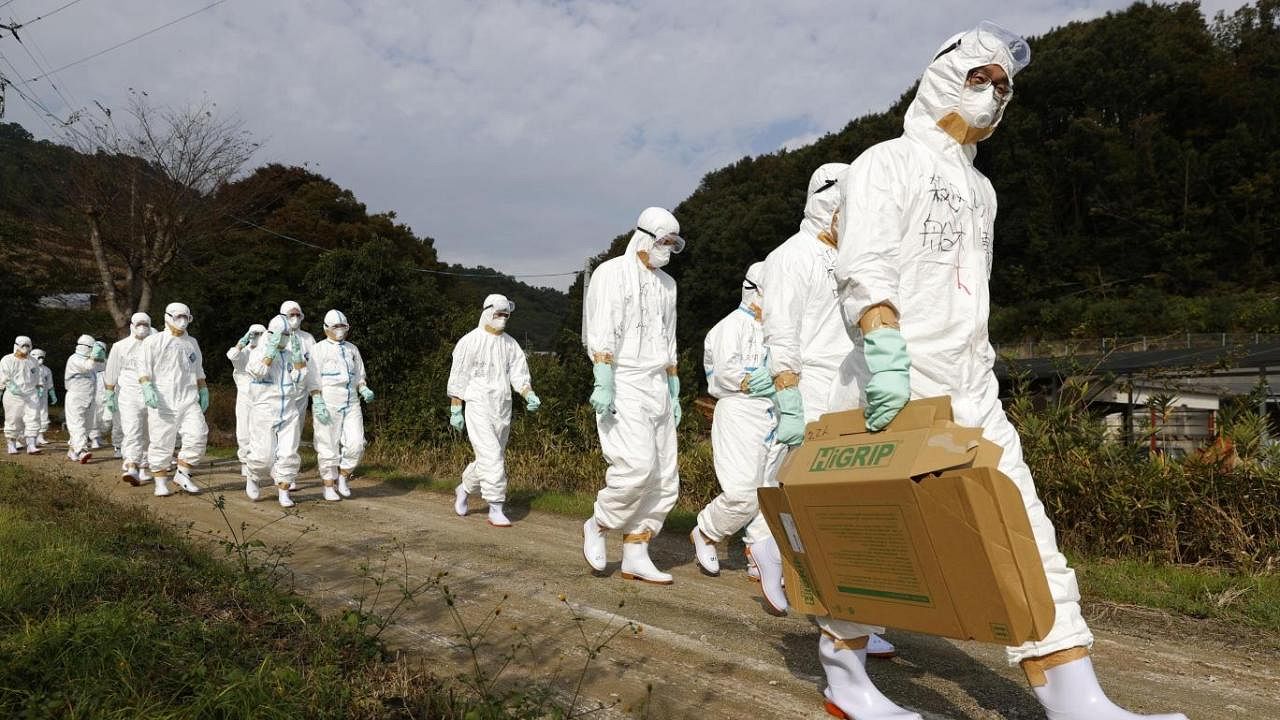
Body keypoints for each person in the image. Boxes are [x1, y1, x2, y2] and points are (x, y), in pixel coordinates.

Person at [767, 22, 1186, 720]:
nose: (993, 96)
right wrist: (885, 351)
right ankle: (844, 673)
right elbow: (863, 266)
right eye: (980, 80)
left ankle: (1076, 697)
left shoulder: (982, 191)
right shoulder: (885, 163)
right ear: (941, 80)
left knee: (1020, 526)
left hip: (971, 386)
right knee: (875, 541)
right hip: (893, 379)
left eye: (1003, 88)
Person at [754, 162, 897, 658]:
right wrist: (788, 395)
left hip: (853, 386)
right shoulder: (789, 257)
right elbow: (782, 332)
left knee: (850, 510)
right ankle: (770, 550)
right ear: (823, 202)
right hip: (812, 386)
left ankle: (851, 619)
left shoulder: (854, 258)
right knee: (801, 499)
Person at [581, 207, 684, 584]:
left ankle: (636, 552)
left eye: (673, 244)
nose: (667, 249)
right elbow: (602, 326)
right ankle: (599, 524)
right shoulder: (611, 273)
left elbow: (669, 335)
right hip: (623, 381)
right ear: (643, 236)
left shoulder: (668, 285)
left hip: (657, 382)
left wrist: (674, 387)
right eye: (662, 241)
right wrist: (603, 378)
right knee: (635, 466)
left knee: (663, 475)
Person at [690, 262, 786, 577]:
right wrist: (750, 381)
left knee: (769, 489)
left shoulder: (777, 329)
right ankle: (706, 531)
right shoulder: (727, 328)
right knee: (743, 492)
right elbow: (720, 375)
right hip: (738, 410)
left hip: (773, 412)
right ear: (753, 289)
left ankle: (758, 552)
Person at [448, 296, 538, 526]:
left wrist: (528, 393)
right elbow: (459, 376)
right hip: (477, 404)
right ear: (487, 312)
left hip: (502, 406)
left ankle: (464, 488)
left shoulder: (510, 344)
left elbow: (519, 373)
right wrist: (456, 409)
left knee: (491, 456)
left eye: (506, 315)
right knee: (491, 456)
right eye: (499, 314)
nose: (502, 319)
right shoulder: (469, 341)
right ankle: (496, 506)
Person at [139, 302, 208, 497]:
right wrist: (146, 386)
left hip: (188, 398)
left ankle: (183, 473)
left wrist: (203, 389)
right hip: (163, 400)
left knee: (198, 434)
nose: (183, 322)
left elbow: (198, 368)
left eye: (186, 317)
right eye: (178, 317)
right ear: (167, 317)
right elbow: (143, 368)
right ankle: (160, 481)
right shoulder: (153, 341)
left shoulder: (191, 343)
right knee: (162, 441)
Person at [310, 310, 375, 502]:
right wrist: (317, 400)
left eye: (342, 326)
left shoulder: (352, 349)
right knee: (328, 444)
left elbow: (359, 374)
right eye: (335, 327)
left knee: (356, 443)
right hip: (328, 401)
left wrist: (363, 388)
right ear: (325, 329)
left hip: (352, 401)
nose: (339, 330)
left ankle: (344, 477)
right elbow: (313, 378)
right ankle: (328, 485)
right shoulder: (318, 349)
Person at [245, 314, 308, 507]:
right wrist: (269, 355)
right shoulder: (257, 352)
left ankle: (284, 490)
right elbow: (257, 372)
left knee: (289, 452)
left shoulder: (289, 354)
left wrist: (299, 360)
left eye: (288, 334)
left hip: (288, 408)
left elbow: (300, 379)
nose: (285, 338)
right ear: (271, 334)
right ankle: (253, 476)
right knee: (262, 456)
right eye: (282, 334)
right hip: (264, 409)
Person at [105, 313, 156, 486]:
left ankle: (143, 466)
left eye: (146, 324)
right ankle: (132, 465)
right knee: (133, 429)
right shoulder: (120, 346)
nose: (142, 327)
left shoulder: (156, 344)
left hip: (152, 392)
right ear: (132, 325)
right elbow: (111, 370)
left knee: (149, 432)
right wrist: (110, 393)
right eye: (139, 324)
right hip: (129, 393)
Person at [279, 300, 316, 491]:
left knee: (294, 433)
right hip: (279, 394)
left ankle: (288, 474)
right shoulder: (276, 336)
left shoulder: (308, 339)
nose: (294, 318)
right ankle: (275, 467)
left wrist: (316, 393)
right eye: (290, 315)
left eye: (297, 315)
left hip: (300, 394)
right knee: (277, 433)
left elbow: (315, 366)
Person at [226, 323, 267, 480]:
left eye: (260, 334)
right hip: (245, 395)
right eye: (254, 333)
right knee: (243, 430)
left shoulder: (267, 353)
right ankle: (245, 461)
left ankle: (261, 462)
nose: (256, 337)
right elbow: (232, 356)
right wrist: (241, 343)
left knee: (263, 430)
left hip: (263, 395)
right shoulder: (243, 352)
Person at [64, 334, 102, 464]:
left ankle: (72, 450)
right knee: (77, 424)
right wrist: (94, 355)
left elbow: (102, 367)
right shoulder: (74, 359)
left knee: (87, 426)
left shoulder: (89, 360)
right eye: (92, 348)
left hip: (89, 397)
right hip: (76, 396)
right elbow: (89, 366)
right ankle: (81, 451)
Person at [1, 336, 42, 455]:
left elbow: (37, 376)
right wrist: (10, 385)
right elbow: (4, 376)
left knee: (33, 418)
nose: (25, 348)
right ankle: (11, 444)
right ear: (16, 345)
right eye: (23, 345)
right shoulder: (7, 360)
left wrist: (38, 387)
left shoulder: (33, 361)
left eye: (28, 346)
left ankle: (31, 445)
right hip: (14, 395)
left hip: (31, 394)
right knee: (13, 419)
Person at [91, 341, 118, 456]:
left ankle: (100, 434)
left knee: (108, 418)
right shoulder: (89, 363)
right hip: (94, 393)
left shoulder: (108, 362)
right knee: (94, 417)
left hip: (108, 393)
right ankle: (94, 438)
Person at [31, 349, 55, 446]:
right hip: (31, 396)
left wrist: (52, 394)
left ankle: (40, 436)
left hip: (43, 397)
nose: (41, 360)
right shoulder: (28, 367)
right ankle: (30, 437)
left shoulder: (46, 370)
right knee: (31, 415)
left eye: (42, 357)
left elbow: (50, 383)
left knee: (43, 415)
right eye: (39, 357)